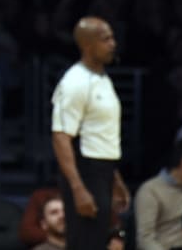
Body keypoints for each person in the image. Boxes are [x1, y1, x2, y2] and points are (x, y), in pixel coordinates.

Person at [51, 16, 130, 250]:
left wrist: (115, 179)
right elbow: (61, 137)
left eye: (113, 37)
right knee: (84, 243)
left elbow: (99, 135)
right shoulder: (75, 81)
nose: (113, 43)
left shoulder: (102, 78)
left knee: (97, 241)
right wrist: (78, 189)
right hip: (85, 171)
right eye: (106, 39)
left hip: (103, 170)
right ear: (87, 44)